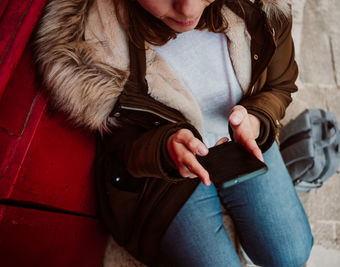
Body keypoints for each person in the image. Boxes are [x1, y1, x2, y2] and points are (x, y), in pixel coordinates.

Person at [34, 0, 313, 266]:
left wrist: (257, 120)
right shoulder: (102, 43)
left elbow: (279, 84)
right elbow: (122, 146)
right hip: (163, 178)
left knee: (291, 254)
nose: (187, 9)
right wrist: (164, 149)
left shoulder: (257, 8)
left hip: (243, 145)